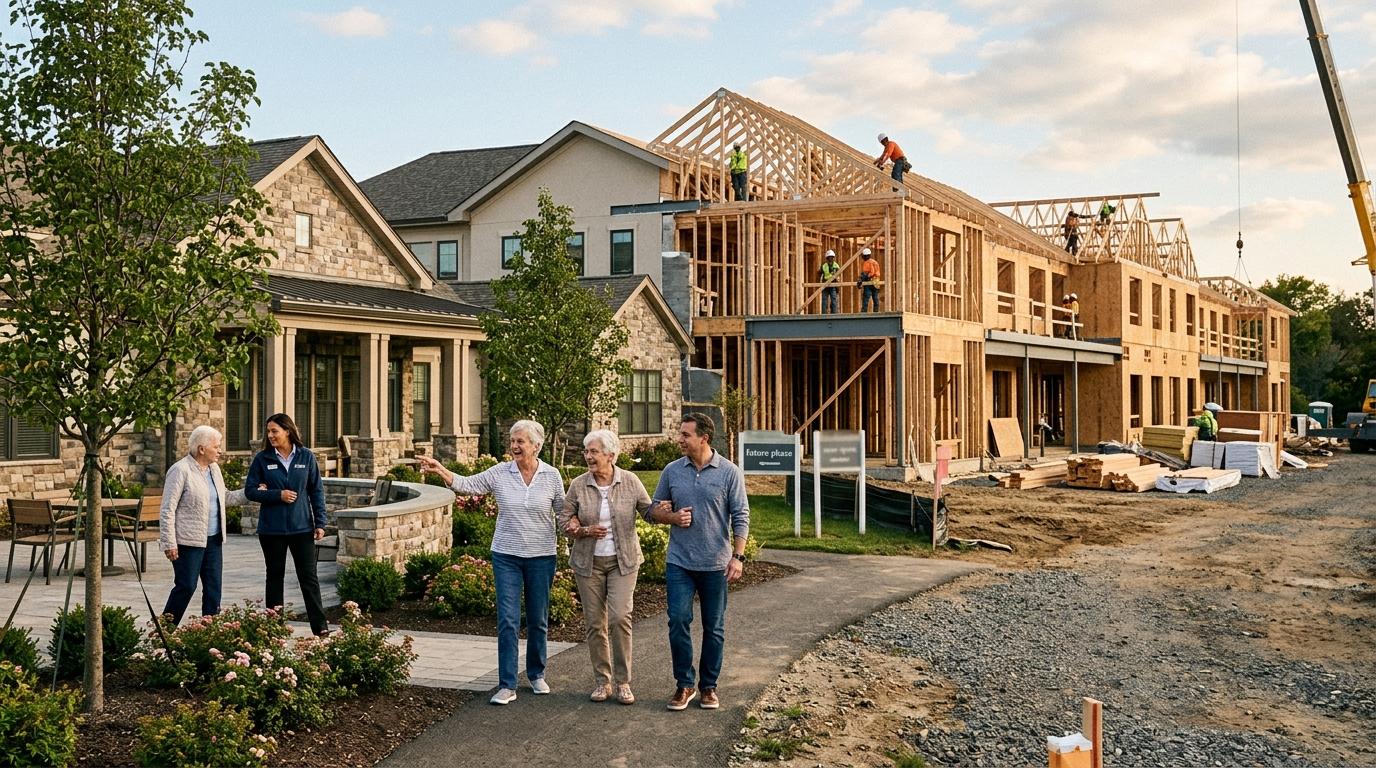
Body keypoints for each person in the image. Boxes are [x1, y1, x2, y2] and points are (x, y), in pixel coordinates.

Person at [417, 420, 565, 706]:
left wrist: (576, 537)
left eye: (521, 441)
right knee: (508, 620)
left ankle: (536, 673)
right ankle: (507, 684)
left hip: (541, 556)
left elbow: (562, 514)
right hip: (506, 555)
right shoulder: (500, 472)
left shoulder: (552, 476)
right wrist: (441, 470)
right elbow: (467, 484)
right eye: (512, 441)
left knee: (537, 619)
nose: (514, 446)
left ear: (536, 445)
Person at [647, 413, 749, 712]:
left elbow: (741, 516)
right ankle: (685, 684)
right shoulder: (672, 471)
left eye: (685, 435)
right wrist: (671, 517)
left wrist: (738, 557)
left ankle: (708, 687)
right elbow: (653, 511)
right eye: (680, 434)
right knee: (678, 620)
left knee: (714, 627)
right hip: (679, 561)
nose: (679, 439)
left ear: (703, 438)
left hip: (716, 563)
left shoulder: (729, 473)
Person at [559, 430, 652, 706]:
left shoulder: (631, 482)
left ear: (611, 456)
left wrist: (666, 511)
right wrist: (580, 528)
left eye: (594, 452)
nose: (588, 456)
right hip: (588, 563)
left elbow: (648, 510)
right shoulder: (578, 485)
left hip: (623, 562)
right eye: (586, 451)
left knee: (620, 617)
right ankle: (603, 681)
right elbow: (564, 519)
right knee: (594, 623)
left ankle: (623, 682)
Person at [245, 413, 329, 636]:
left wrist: (320, 522)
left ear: (288, 431)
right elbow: (250, 491)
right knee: (274, 577)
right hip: (271, 530)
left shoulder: (306, 457)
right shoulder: (263, 459)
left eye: (275, 431)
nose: (270, 435)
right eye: (269, 432)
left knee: (309, 578)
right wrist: (276, 495)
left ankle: (320, 628)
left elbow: (316, 491)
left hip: (302, 528)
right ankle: (273, 629)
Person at [159, 426, 249, 625]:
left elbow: (225, 497)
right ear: (201, 449)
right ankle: (164, 632)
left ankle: (210, 633)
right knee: (186, 586)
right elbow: (167, 509)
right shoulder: (180, 470)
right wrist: (169, 542)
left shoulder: (214, 470)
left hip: (213, 540)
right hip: (188, 542)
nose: (220, 451)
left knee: (213, 588)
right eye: (216, 447)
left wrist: (251, 492)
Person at [858, 247, 882, 312]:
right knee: (875, 298)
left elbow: (869, 273)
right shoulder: (875, 262)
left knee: (866, 298)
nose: (862, 257)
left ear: (865, 256)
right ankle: (876, 312)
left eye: (863, 256)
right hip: (876, 282)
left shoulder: (867, 262)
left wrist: (861, 279)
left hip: (870, 281)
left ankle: (863, 312)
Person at [819, 249, 842, 314]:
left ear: (833, 258)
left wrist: (837, 285)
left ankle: (834, 314)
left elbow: (838, 275)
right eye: (829, 257)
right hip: (825, 285)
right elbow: (819, 274)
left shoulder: (836, 266)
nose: (830, 259)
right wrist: (818, 284)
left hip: (833, 285)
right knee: (824, 301)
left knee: (834, 300)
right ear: (827, 258)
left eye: (831, 257)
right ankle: (824, 315)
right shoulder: (824, 266)